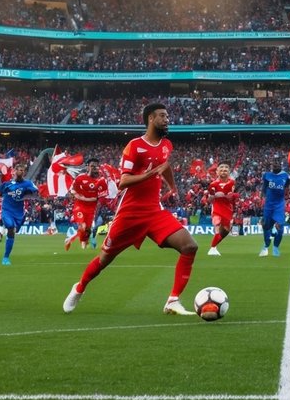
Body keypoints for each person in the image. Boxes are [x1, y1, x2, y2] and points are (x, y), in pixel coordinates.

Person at [62, 103, 199, 316]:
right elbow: (123, 181)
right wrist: (150, 173)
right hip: (129, 214)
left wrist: (172, 187)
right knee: (104, 260)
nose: (167, 119)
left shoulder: (166, 145)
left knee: (190, 246)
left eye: (167, 116)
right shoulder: (134, 146)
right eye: (162, 116)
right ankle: (79, 287)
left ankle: (172, 301)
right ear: (151, 119)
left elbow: (165, 166)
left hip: (154, 211)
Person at [0, 164, 40, 265]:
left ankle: (5, 229)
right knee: (11, 228)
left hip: (19, 213)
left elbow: (36, 192)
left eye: (22, 170)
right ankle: (6, 257)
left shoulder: (28, 183)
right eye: (19, 170)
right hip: (7, 210)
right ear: (15, 171)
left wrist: (30, 193)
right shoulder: (7, 184)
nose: (21, 172)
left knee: (15, 231)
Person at [64, 161, 105, 251]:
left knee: (87, 229)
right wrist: (81, 197)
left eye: (95, 167)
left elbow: (98, 198)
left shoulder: (100, 181)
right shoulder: (81, 178)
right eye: (92, 166)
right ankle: (71, 238)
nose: (94, 168)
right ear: (88, 167)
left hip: (91, 209)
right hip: (80, 206)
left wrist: (87, 199)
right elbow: (73, 191)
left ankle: (82, 243)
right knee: (82, 226)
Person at [259, 161, 289, 257]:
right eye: (274, 164)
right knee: (266, 226)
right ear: (272, 166)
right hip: (268, 205)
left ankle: (276, 247)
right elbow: (264, 187)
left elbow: (287, 185)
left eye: (277, 164)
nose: (275, 165)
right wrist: (261, 195)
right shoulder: (267, 175)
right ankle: (266, 245)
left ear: (281, 165)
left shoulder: (285, 175)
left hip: (279, 205)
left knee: (280, 226)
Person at [207, 163, 237, 256]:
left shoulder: (232, 182)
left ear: (228, 172)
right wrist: (214, 195)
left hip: (227, 208)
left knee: (226, 230)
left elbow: (231, 197)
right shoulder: (213, 184)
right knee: (217, 223)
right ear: (217, 172)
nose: (223, 172)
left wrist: (228, 196)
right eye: (221, 170)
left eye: (225, 170)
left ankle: (214, 247)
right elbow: (210, 199)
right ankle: (212, 249)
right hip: (217, 207)